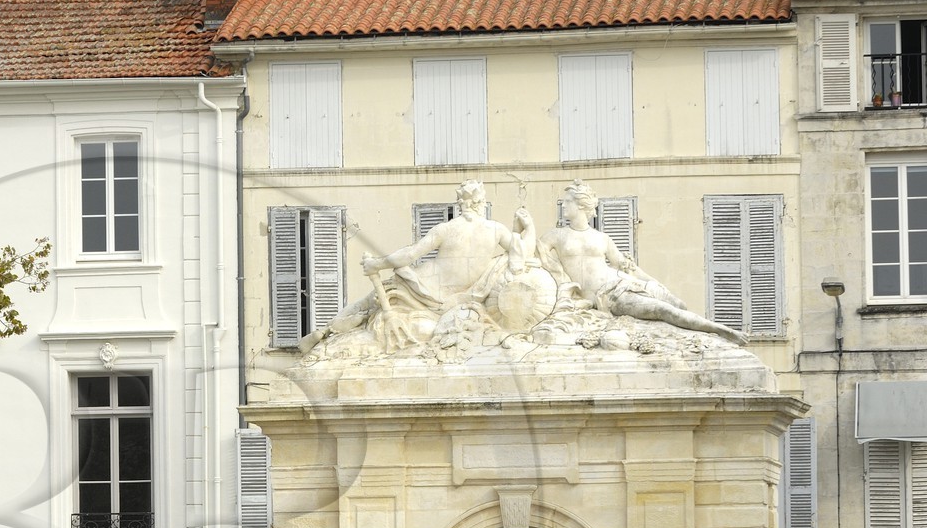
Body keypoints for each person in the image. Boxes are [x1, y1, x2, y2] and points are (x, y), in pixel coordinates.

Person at [299, 180, 531, 352]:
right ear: (481, 203)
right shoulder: (497, 230)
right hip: (457, 297)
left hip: (424, 287)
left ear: (462, 204)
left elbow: (410, 255)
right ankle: (327, 332)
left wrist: (376, 264)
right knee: (374, 306)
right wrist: (528, 228)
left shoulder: (447, 229)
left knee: (369, 303)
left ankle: (327, 330)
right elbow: (523, 252)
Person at [538, 179, 747, 344]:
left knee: (678, 303)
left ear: (581, 205)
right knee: (663, 310)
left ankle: (712, 332)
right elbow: (528, 253)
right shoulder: (556, 236)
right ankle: (720, 330)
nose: (563, 205)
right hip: (608, 297)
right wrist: (523, 228)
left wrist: (653, 283)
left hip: (622, 281)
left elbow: (627, 267)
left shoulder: (602, 238)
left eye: (568, 201)